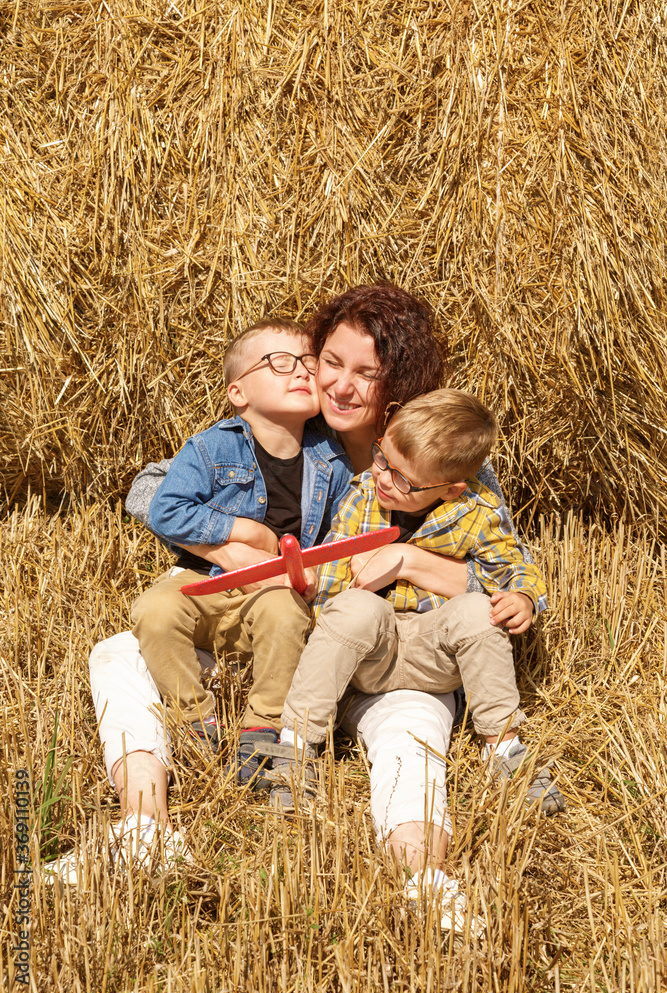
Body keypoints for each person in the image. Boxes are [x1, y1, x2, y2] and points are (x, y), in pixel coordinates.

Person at [45, 286, 558, 929]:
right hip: (293, 646)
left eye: (366, 373)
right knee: (119, 653)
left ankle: (425, 878)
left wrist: (409, 560)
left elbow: (501, 575)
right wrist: (235, 541)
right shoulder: (295, 429)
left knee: (410, 733)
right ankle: (144, 829)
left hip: (389, 653)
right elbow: (152, 486)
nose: (339, 385)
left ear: (399, 385)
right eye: (329, 362)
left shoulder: (443, 457)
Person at [273, 389, 564, 826]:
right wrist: (325, 599)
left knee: (477, 612)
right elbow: (332, 579)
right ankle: (296, 748)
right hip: (371, 654)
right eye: (382, 458)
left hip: (435, 654)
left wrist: (522, 598)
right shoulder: (361, 496)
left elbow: (515, 569)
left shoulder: (477, 512)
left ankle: (503, 750)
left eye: (404, 479)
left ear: (450, 490)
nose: (384, 478)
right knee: (354, 607)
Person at [129, 317, 351, 786]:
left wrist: (317, 575)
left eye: (309, 362)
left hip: (273, 589)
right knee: (154, 610)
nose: (302, 371)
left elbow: (341, 532)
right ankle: (196, 721)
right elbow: (166, 510)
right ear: (238, 393)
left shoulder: (332, 461)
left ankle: (262, 726)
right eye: (280, 362)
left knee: (285, 615)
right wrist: (242, 530)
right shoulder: (211, 448)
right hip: (204, 578)